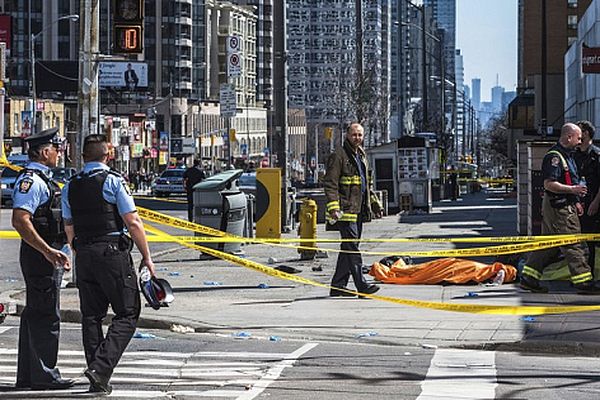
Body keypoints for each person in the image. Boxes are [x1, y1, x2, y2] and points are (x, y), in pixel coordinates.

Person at [61, 134, 156, 394]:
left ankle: (97, 373)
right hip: (111, 252)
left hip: (85, 253)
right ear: (108, 155)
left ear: (83, 156)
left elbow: (68, 225)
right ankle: (100, 369)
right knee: (128, 312)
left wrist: (77, 251)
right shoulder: (113, 181)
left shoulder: (70, 185)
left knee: (91, 316)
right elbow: (133, 222)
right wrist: (147, 257)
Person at [11, 127, 75, 390]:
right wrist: (47, 251)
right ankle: (44, 375)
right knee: (46, 314)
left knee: (36, 312)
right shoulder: (32, 181)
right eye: (56, 149)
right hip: (40, 255)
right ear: (44, 152)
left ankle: (30, 375)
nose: (59, 154)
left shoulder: (43, 179)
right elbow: (20, 220)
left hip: (44, 253)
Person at [520, 123, 600, 295]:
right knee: (574, 243)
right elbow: (549, 184)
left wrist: (576, 201)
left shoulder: (568, 156)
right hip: (560, 207)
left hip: (560, 205)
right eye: (578, 138)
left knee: (549, 244)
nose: (580, 142)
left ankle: (529, 277)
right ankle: (584, 281)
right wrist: (573, 190)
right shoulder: (555, 157)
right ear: (569, 137)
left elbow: (570, 180)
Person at [323, 122, 383, 297]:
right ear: (347, 135)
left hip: (358, 210)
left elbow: (366, 185)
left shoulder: (361, 155)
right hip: (344, 211)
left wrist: (375, 204)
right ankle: (362, 285)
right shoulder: (339, 155)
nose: (357, 138)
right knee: (352, 249)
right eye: (354, 134)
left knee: (348, 248)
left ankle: (338, 286)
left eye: (360, 135)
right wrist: (334, 207)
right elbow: (330, 183)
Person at [574, 120, 600, 273]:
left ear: (586, 133)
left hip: (593, 202)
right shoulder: (574, 155)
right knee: (579, 241)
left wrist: (596, 203)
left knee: (591, 240)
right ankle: (581, 274)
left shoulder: (596, 155)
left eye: (579, 131)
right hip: (578, 203)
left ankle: (589, 273)